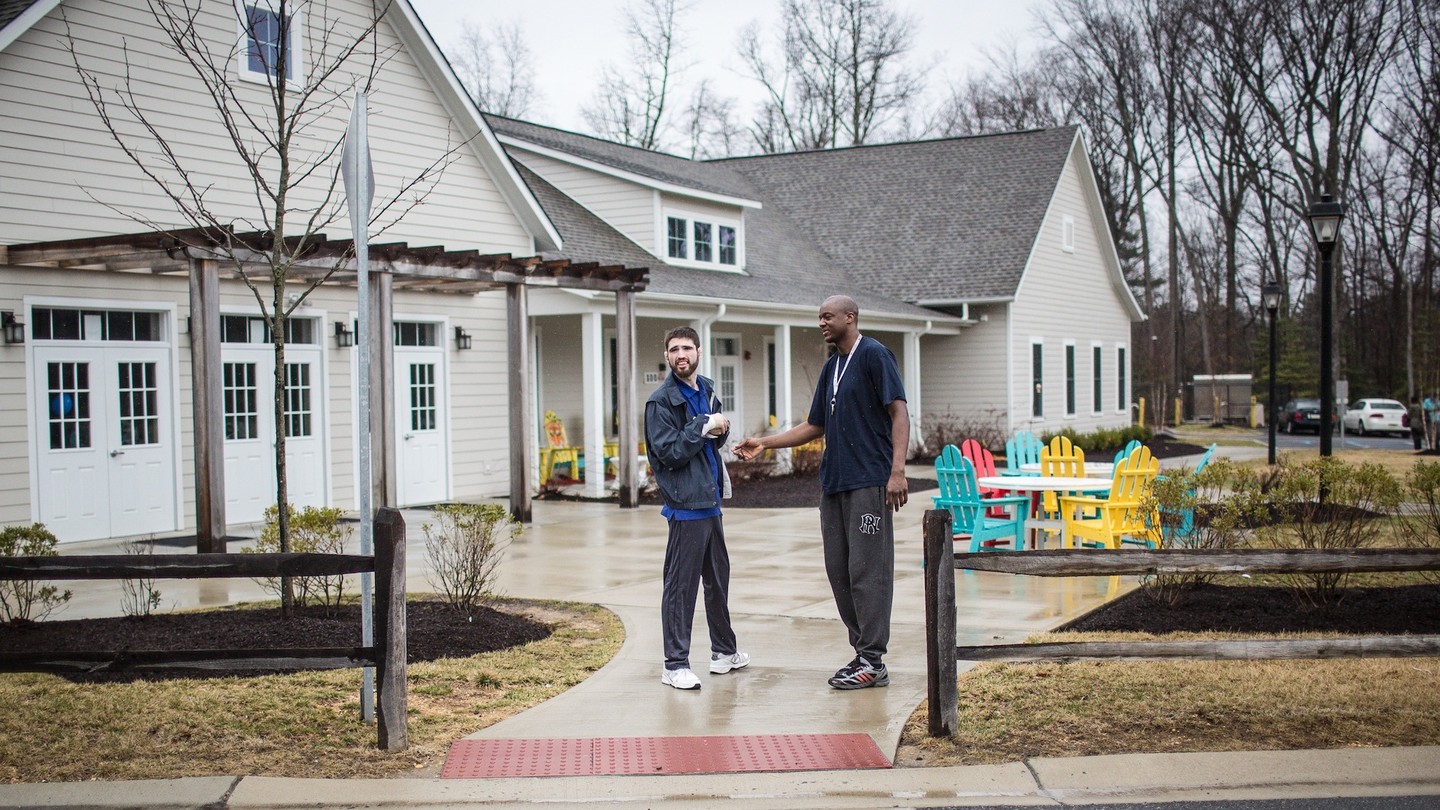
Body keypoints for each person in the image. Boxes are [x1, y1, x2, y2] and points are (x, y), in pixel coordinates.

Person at [733, 295, 909, 690]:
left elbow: (899, 412)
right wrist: (766, 442)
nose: (822, 323)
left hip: (869, 482)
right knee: (840, 571)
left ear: (851, 317)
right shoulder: (832, 367)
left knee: (869, 571)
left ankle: (873, 659)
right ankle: (863, 653)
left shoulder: (875, 356)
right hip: (834, 484)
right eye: (819, 317)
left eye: (827, 317)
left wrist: (897, 471)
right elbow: (814, 425)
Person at [645, 326, 749, 690]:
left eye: (686, 348)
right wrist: (702, 425)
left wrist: (718, 428)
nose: (680, 354)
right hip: (686, 505)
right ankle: (675, 665)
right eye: (674, 349)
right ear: (667, 355)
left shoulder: (704, 388)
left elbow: (714, 438)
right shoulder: (660, 402)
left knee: (718, 581)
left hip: (710, 499)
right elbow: (670, 453)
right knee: (680, 586)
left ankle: (724, 652)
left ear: (699, 351)